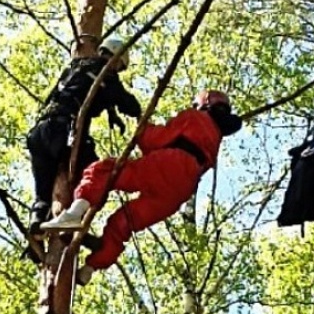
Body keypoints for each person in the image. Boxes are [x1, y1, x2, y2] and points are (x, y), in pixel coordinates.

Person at [40, 90, 243, 285]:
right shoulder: (216, 137)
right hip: (181, 190)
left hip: (169, 164)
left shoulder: (194, 117)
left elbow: (154, 139)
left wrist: (142, 124)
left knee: (104, 170)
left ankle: (74, 213)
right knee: (126, 221)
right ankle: (90, 269)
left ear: (204, 103)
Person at [26, 37, 142, 239]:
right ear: (114, 57)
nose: (117, 70)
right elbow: (128, 104)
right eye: (119, 66)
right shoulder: (106, 74)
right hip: (64, 131)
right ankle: (71, 219)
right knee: (97, 173)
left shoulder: (76, 67)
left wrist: (111, 112)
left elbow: (86, 89)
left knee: (43, 192)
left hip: (39, 132)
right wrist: (138, 113)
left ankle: (38, 222)